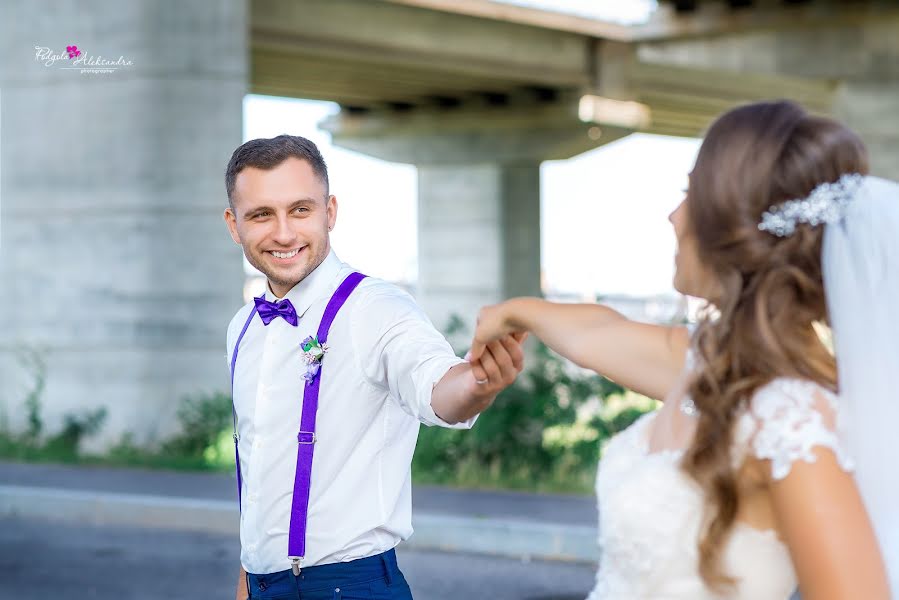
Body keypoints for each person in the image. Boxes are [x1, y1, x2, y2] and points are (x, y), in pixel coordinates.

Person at [469, 100, 897, 599]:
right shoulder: (713, 364)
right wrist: (512, 312)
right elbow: (596, 335)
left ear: (733, 226)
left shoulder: (790, 419)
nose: (673, 216)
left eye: (688, 193)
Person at [222, 135, 525, 600]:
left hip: (351, 587)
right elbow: (262, 479)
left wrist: (478, 380)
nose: (283, 233)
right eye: (262, 214)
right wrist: (247, 583)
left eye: (300, 210)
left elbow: (438, 388)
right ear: (234, 224)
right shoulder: (242, 327)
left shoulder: (376, 308)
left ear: (330, 212)